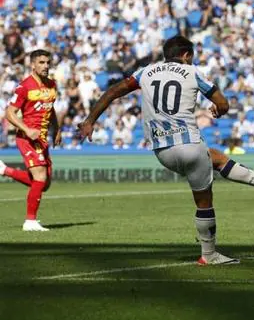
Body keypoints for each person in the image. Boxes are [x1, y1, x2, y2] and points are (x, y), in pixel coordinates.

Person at [78, 36, 237, 265]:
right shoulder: (192, 71)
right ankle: (209, 254)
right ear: (186, 55)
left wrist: (90, 120)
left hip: (161, 148)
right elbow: (222, 103)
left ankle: (209, 254)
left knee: (204, 188)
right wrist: (219, 111)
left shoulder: (146, 71)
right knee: (204, 198)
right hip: (189, 144)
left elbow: (114, 91)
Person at [0, 49, 61, 231]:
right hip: (27, 138)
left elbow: (50, 109)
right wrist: (27, 129)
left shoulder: (52, 85)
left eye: (48, 62)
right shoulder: (25, 86)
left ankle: (4, 170)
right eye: (41, 62)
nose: (46, 66)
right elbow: (9, 113)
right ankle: (30, 221)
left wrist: (56, 129)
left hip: (42, 139)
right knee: (40, 177)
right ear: (32, 65)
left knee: (44, 184)